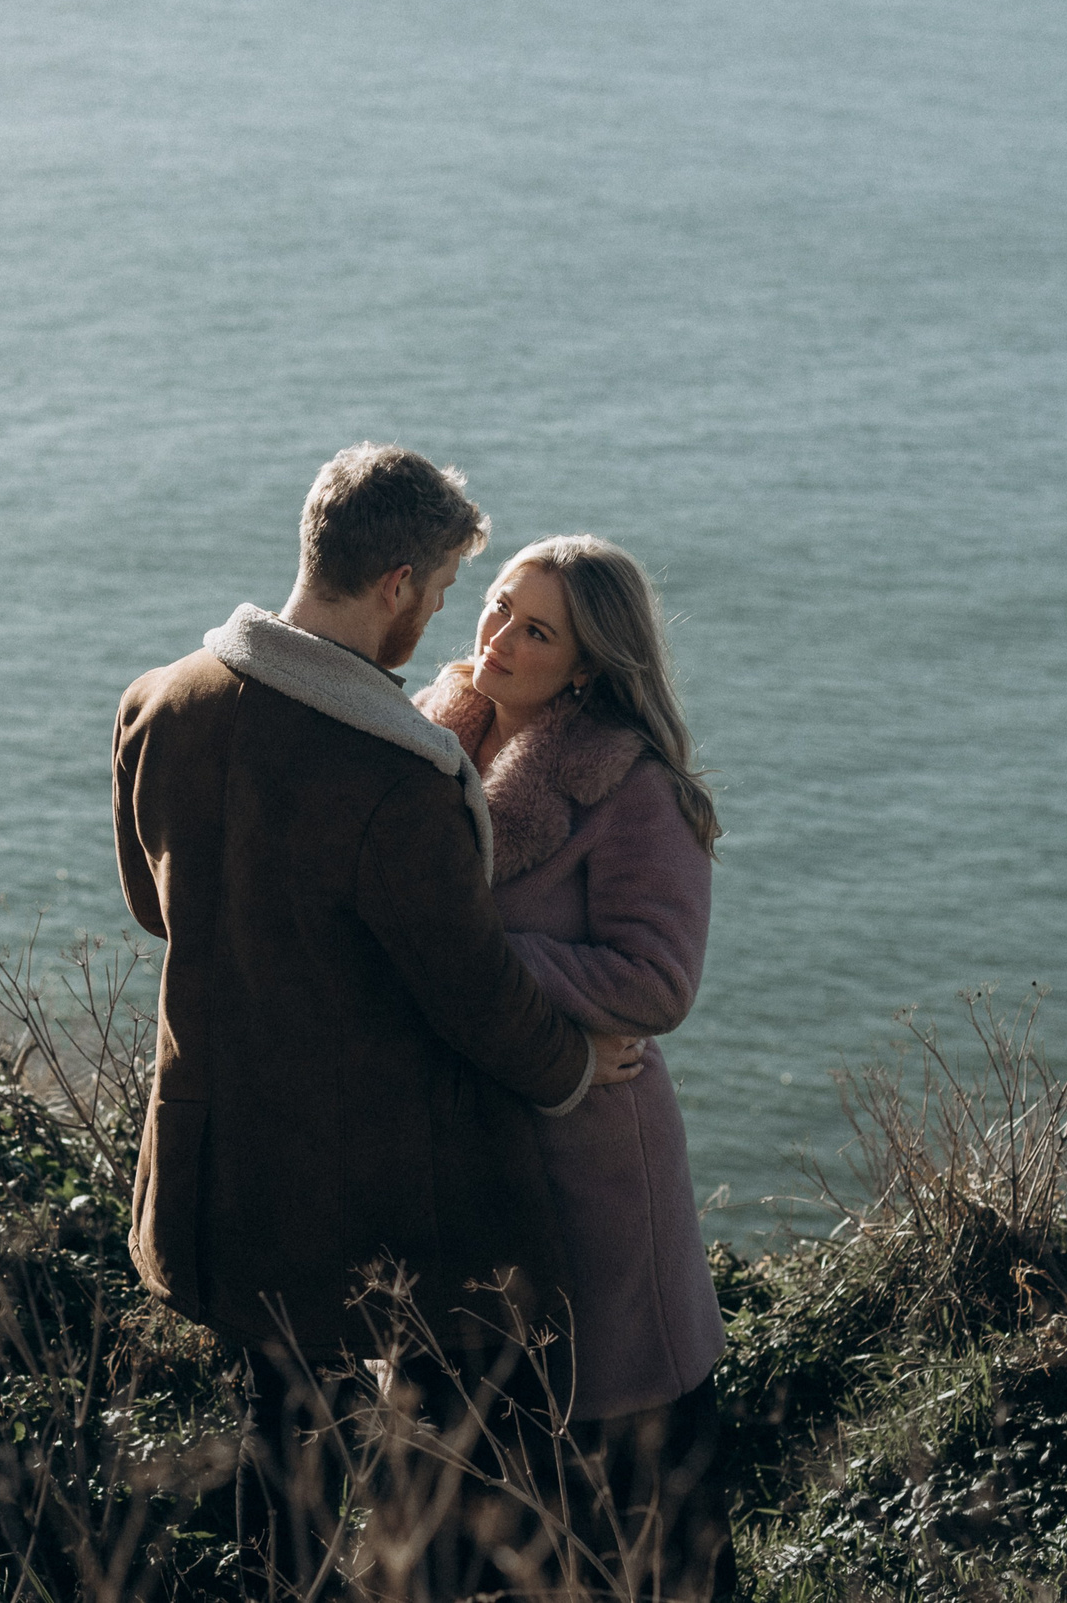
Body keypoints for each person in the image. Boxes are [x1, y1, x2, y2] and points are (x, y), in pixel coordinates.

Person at [112, 445, 647, 1597]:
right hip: (371, 1190)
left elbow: (156, 911)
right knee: (460, 1473)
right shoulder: (398, 781)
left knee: (279, 1468)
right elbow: (471, 996)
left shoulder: (158, 705)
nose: (449, 617)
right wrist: (574, 1065)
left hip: (216, 1165)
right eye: (451, 589)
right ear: (399, 581)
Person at [414, 534, 733, 1601]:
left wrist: (482, 965)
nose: (496, 636)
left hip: (589, 1158)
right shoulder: (425, 742)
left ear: (589, 665)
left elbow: (657, 981)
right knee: (485, 1455)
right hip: (464, 1150)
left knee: (616, 1466)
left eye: (535, 629)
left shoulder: (630, 790)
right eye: (497, 605)